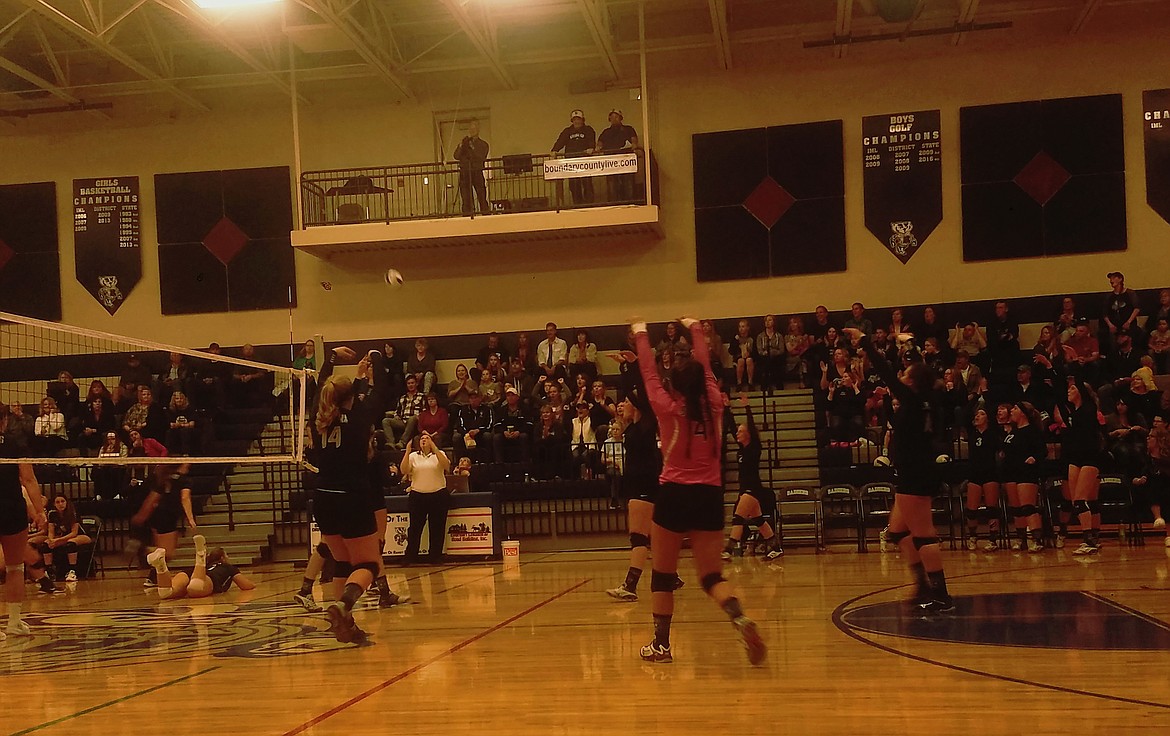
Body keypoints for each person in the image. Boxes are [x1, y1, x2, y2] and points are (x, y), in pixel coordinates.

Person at [633, 316, 765, 666]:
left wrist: (640, 333)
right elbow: (706, 366)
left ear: (675, 386)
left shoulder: (667, 407)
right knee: (711, 577)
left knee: (662, 575)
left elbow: (648, 373)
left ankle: (661, 646)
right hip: (709, 496)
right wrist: (695, 328)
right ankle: (738, 616)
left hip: (674, 493)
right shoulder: (716, 406)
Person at [843, 326, 953, 613]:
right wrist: (910, 346)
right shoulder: (928, 397)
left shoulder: (915, 399)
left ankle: (941, 595)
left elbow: (888, 371)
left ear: (912, 383)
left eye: (906, 375)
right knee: (897, 532)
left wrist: (865, 342)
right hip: (915, 470)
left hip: (915, 473)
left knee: (923, 534)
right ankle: (922, 586)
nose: (901, 376)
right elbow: (916, 370)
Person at [310, 345, 395, 643]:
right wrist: (374, 357)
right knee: (368, 565)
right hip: (352, 497)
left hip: (322, 497)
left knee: (343, 563)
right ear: (350, 397)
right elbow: (381, 388)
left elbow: (322, 386)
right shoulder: (361, 416)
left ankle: (345, 624)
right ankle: (343, 604)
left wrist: (332, 358)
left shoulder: (317, 415)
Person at [605, 396, 682, 601]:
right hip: (644, 487)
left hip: (642, 488)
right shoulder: (635, 427)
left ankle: (630, 585)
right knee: (654, 537)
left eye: (627, 402)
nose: (622, 405)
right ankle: (671, 576)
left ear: (638, 406)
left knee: (639, 538)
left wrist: (629, 365)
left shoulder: (645, 427)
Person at [0, 410, 50, 639]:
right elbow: (28, 479)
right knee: (15, 567)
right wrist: (40, 512)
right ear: (5, 421)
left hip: (10, 508)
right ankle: (13, 622)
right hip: (12, 509)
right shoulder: (15, 444)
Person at [722, 396, 782, 561]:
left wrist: (747, 407)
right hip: (745, 489)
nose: (737, 433)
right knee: (759, 520)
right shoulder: (741, 448)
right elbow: (732, 426)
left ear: (748, 434)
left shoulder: (754, 447)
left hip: (752, 488)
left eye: (741, 431)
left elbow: (752, 428)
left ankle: (728, 550)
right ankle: (775, 548)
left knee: (737, 518)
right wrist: (727, 409)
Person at [1056, 377, 1105, 555]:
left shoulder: (1089, 408)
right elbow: (1057, 395)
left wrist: (1075, 362)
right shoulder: (1072, 412)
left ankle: (1089, 541)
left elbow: (1081, 382)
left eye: (1073, 388)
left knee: (1081, 500)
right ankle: (1091, 539)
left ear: (1082, 393)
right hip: (1074, 459)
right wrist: (1049, 368)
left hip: (1089, 457)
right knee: (1077, 501)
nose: (1069, 391)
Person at [131, 464, 196, 588]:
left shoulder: (164, 477)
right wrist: (190, 518)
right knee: (168, 553)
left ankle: (152, 578)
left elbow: (152, 499)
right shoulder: (184, 480)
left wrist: (142, 515)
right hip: (168, 517)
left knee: (161, 551)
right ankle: (143, 550)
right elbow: (185, 498)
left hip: (157, 516)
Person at [1000, 402, 1046, 553]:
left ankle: (1037, 539)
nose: (1011, 411)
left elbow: (1042, 450)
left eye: (1014, 408)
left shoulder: (1032, 431)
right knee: (1016, 509)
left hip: (1026, 472)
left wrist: (1034, 458)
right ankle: (1021, 539)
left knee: (1027, 507)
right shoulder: (1013, 431)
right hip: (1011, 472)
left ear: (1023, 413)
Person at [399, 432, 451, 565]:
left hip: (438, 494)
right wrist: (407, 451)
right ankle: (410, 556)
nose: (424, 440)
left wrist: (434, 448)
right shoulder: (413, 456)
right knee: (415, 528)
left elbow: (446, 466)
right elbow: (404, 470)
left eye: (427, 438)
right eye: (422, 438)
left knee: (437, 527)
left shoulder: (440, 455)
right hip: (418, 495)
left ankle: (435, 556)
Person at [148, 535, 255, 599]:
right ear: (222, 558)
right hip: (208, 578)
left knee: (166, 593)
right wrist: (254, 585)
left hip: (191, 572)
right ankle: (200, 554)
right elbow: (246, 586)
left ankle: (161, 565)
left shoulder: (207, 566)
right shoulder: (228, 567)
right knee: (195, 588)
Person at [963, 408, 1003, 552]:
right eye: (977, 414)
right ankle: (973, 537)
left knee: (991, 509)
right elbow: (966, 414)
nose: (977, 416)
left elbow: (1000, 452)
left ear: (988, 418)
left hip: (990, 473)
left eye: (982, 414)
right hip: (974, 474)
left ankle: (993, 540)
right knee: (971, 510)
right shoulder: (972, 432)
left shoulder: (993, 433)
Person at [40, 495, 92, 582]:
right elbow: (51, 531)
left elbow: (74, 533)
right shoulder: (52, 514)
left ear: (66, 502)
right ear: (54, 504)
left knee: (70, 543)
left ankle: (72, 571)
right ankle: (49, 571)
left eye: (62, 501)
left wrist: (57, 540)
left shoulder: (73, 513)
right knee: (46, 544)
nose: (60, 504)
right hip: (62, 537)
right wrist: (51, 540)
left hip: (79, 536)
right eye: (58, 502)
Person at [550, 109, 597, 205]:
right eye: (574, 119)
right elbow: (560, 141)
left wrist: (591, 148)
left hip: (585, 162)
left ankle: (589, 204)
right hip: (571, 162)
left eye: (578, 119)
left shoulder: (588, 130)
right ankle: (578, 204)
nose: (577, 121)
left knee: (587, 183)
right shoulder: (567, 131)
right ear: (572, 121)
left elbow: (591, 140)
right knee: (574, 185)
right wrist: (554, 150)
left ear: (582, 120)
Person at [597, 108, 639, 202]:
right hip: (611, 162)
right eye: (612, 117)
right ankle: (614, 204)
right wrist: (598, 147)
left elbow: (634, 141)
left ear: (621, 118)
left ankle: (629, 203)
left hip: (626, 161)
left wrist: (634, 145)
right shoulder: (606, 132)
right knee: (612, 185)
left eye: (616, 117)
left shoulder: (629, 129)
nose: (614, 119)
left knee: (628, 184)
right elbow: (599, 143)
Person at [454, 118, 490, 216]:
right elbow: (456, 156)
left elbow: (481, 157)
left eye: (474, 127)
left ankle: (485, 214)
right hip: (465, 173)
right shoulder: (464, 143)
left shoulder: (483, 144)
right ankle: (467, 215)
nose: (472, 130)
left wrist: (472, 147)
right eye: (471, 127)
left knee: (481, 195)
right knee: (466, 197)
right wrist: (462, 146)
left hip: (477, 171)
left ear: (478, 129)